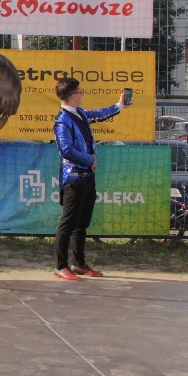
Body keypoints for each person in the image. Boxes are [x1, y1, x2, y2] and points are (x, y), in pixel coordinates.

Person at [52, 78, 128, 280]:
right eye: (79, 91)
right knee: (68, 223)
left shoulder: (80, 113)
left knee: (82, 223)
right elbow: (65, 149)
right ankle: (61, 265)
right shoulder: (62, 120)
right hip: (74, 178)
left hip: (87, 176)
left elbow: (98, 114)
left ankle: (78, 263)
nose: (82, 93)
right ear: (71, 96)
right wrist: (89, 159)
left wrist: (119, 106)